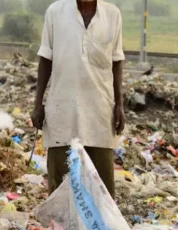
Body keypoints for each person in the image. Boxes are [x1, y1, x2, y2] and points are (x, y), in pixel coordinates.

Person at [31, 0, 125, 199]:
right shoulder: (55, 12)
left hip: (100, 110)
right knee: (60, 183)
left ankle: (100, 229)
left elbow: (116, 61)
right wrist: (38, 103)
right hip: (62, 108)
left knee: (102, 188)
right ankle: (61, 229)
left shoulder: (112, 15)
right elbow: (46, 58)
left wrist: (119, 105)